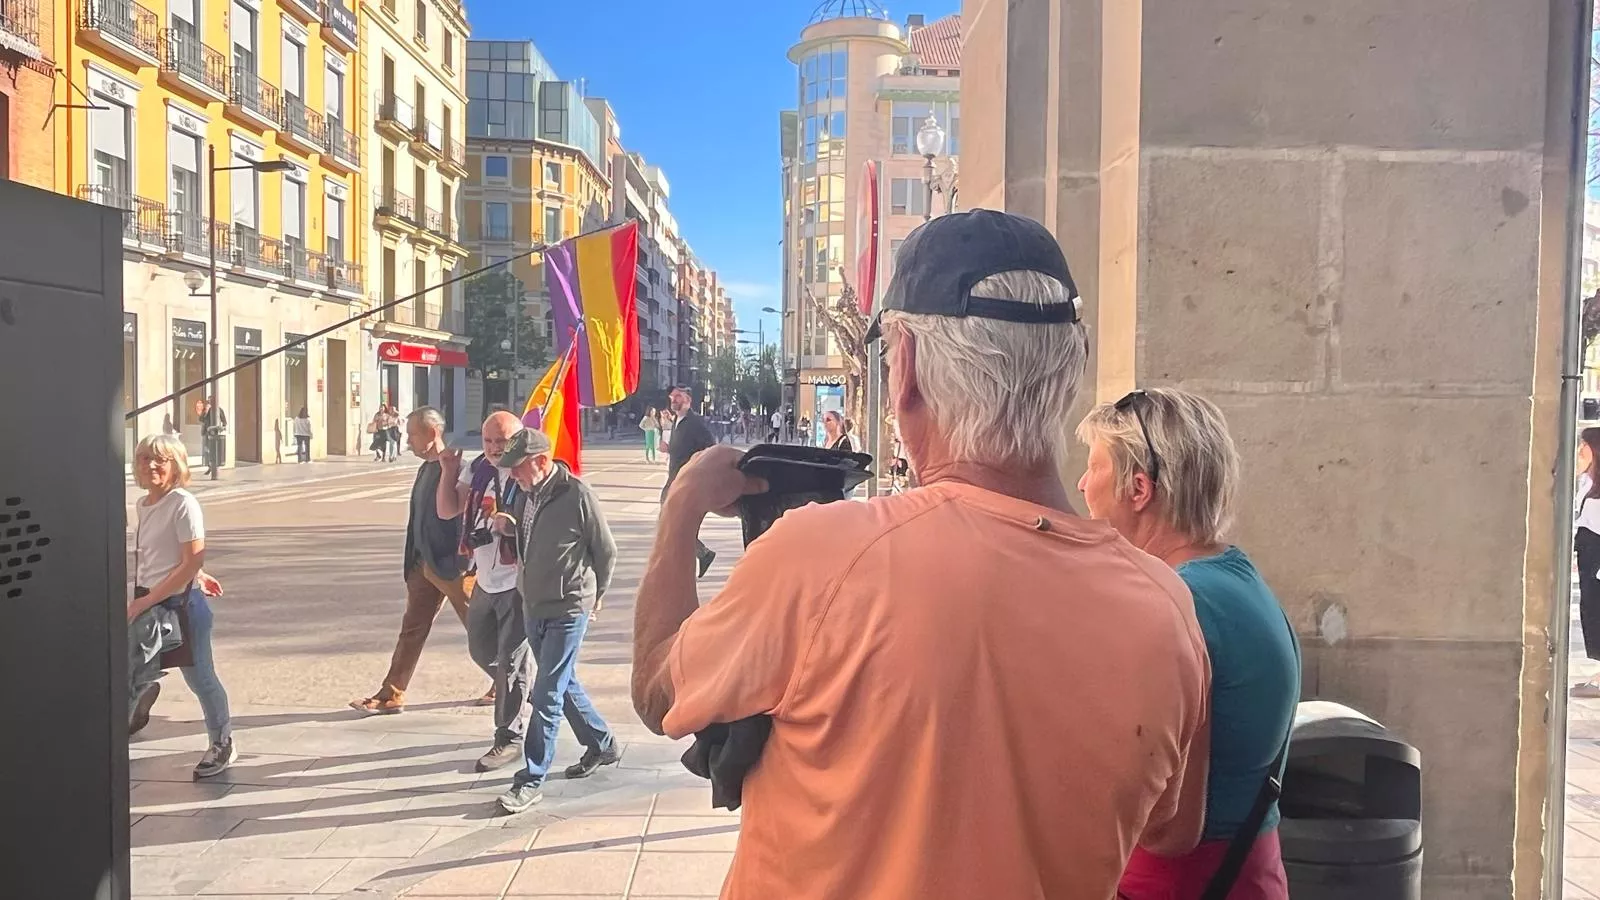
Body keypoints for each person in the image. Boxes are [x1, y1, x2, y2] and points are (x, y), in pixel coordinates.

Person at [630, 209, 1210, 900]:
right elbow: (1174, 829)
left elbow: (659, 690)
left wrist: (683, 504)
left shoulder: (822, 560)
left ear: (904, 369)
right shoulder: (1167, 607)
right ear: (1070, 368)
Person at [1077, 388, 1299, 899]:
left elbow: (1170, 829)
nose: (1083, 484)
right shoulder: (1237, 578)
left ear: (1138, 489)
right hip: (1251, 877)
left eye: (1094, 467)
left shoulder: (1177, 604)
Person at [495, 428, 620, 813]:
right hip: (533, 604)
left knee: (547, 692)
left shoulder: (577, 495)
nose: (513, 474)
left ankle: (531, 779)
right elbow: (531, 540)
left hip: (569, 606)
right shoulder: (524, 493)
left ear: (542, 461)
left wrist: (595, 596)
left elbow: (606, 551)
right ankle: (602, 743)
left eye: (518, 466)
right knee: (562, 684)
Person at [350, 407, 476, 715]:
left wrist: (462, 562)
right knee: (412, 629)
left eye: (412, 435)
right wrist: (412, 561)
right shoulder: (424, 469)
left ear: (432, 433)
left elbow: (463, 520)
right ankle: (391, 693)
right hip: (422, 563)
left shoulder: (458, 469)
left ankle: (511, 683)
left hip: (452, 567)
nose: (407, 441)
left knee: (481, 627)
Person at [128, 434, 237, 778]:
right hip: (152, 601)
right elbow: (169, 555)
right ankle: (135, 711)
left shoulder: (183, 503)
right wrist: (196, 574)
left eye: (161, 459)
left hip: (180, 605)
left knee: (200, 677)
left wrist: (189, 576)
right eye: (145, 458)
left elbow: (192, 559)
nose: (151, 465)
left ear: (176, 466)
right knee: (131, 670)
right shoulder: (143, 504)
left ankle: (222, 742)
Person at [437, 411, 532, 771]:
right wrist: (448, 471)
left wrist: (513, 528)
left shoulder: (528, 473)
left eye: (502, 441)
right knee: (481, 652)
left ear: (518, 440)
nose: (494, 448)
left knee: (510, 663)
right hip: (484, 579)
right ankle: (530, 692)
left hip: (517, 582)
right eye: (488, 440)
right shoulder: (478, 469)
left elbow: (547, 526)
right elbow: (447, 510)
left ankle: (509, 738)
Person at [661, 385, 718, 577]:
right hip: (674, 479)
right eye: (672, 396)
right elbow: (680, 448)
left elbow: (710, 447)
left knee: (671, 523)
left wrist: (696, 471)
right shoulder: (677, 420)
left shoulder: (695, 423)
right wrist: (668, 448)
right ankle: (700, 554)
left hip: (685, 481)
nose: (673, 399)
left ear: (688, 400)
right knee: (671, 523)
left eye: (678, 396)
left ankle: (693, 557)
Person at [1575, 428, 1600, 697]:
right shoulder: (1587, 484)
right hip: (1590, 565)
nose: (1579, 450)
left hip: (1597, 566)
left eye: (1585, 445)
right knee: (1592, 614)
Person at [202, 396, 228, 476]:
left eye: (211, 401)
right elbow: (201, 419)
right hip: (207, 433)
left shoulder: (219, 410)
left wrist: (222, 427)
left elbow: (224, 421)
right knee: (207, 451)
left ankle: (214, 468)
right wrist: (205, 411)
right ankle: (210, 466)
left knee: (214, 450)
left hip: (215, 434)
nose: (209, 402)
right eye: (208, 401)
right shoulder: (207, 410)